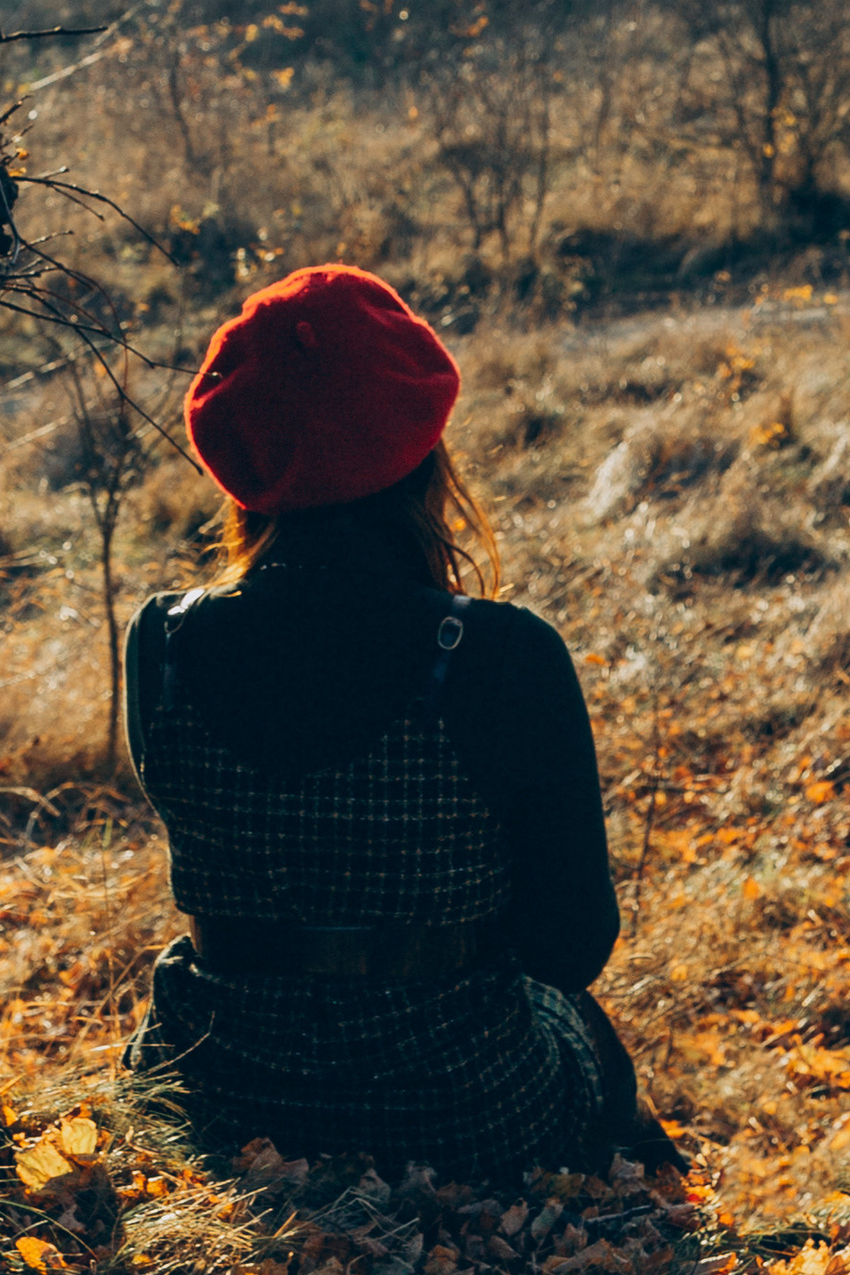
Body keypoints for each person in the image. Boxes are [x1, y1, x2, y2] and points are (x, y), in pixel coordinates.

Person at [123, 261, 665, 1181]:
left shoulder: (162, 643)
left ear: (238, 459)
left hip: (215, 1101)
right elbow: (570, 946)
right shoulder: (502, 653)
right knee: (593, 1052)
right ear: (422, 450)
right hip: (464, 1113)